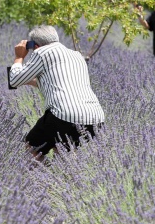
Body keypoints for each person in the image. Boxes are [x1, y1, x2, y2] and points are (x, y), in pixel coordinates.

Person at [8, 26, 105, 160]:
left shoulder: (41, 53)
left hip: (64, 116)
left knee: (32, 147)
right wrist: (29, 81)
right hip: (95, 118)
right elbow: (55, 81)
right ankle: (63, 179)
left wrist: (18, 58)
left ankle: (36, 178)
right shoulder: (76, 55)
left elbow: (14, 80)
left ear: (35, 45)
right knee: (63, 154)